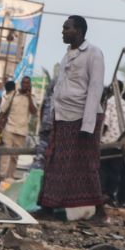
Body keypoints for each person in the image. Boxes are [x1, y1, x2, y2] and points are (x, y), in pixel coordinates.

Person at [40, 15, 106, 219]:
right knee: (55, 162)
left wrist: (87, 126)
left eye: (66, 28)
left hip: (82, 119)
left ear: (78, 31)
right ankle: (48, 206)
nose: (62, 31)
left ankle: (100, 211)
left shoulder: (94, 53)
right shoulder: (67, 55)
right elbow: (60, 88)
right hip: (63, 117)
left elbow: (95, 89)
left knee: (87, 165)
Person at [0, 77, 37, 181]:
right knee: (6, 154)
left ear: (29, 85)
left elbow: (34, 112)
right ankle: (2, 177)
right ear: (21, 83)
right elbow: (3, 110)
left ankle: (10, 178)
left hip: (22, 132)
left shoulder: (32, 97)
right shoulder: (13, 94)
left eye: (27, 83)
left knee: (15, 157)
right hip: (9, 129)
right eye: (23, 82)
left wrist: (29, 97)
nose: (25, 84)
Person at [100, 81, 125, 206]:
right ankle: (110, 194)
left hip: (107, 141)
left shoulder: (108, 102)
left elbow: (106, 123)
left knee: (103, 168)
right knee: (115, 170)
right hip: (120, 142)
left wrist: (99, 138)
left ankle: (103, 193)